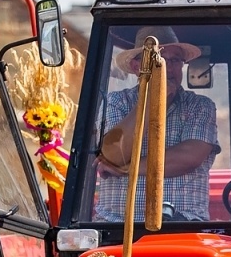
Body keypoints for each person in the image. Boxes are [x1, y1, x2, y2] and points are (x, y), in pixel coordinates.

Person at [94, 27, 220, 222]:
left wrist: (125, 169)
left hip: (183, 225)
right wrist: (151, 99)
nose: (168, 67)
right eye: (159, 59)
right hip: (115, 224)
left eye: (175, 60)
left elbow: (188, 158)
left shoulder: (200, 106)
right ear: (137, 68)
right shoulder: (116, 101)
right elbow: (114, 154)